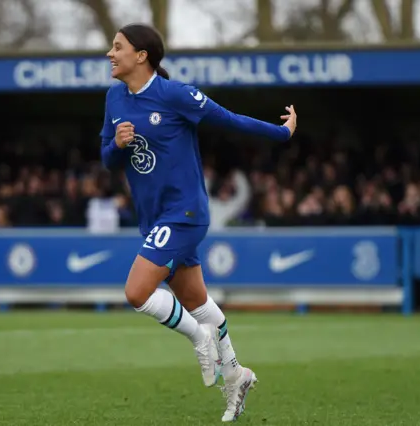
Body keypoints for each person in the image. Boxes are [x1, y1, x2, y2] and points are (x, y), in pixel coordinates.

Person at [100, 23, 297, 422]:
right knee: (197, 301)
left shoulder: (174, 95)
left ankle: (198, 337)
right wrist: (116, 145)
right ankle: (237, 375)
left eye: (117, 47)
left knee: (137, 292)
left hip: (185, 212)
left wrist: (282, 132)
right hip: (153, 217)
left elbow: (230, 119)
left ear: (142, 56)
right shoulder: (114, 97)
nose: (110, 53)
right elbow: (107, 159)